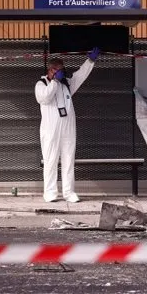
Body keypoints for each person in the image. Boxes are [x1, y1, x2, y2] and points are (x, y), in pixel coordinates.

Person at [35, 47, 100, 202]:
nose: (62, 72)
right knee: (50, 161)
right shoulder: (42, 84)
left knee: (68, 159)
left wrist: (90, 61)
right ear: (51, 70)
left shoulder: (67, 85)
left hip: (68, 128)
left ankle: (69, 192)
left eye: (62, 69)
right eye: (58, 69)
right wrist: (54, 81)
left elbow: (80, 75)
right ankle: (50, 193)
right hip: (51, 130)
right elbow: (44, 98)